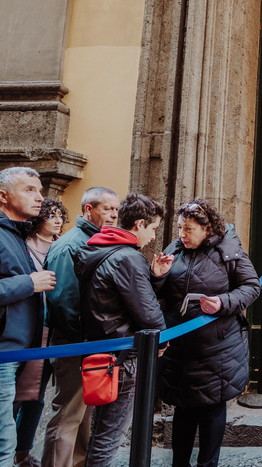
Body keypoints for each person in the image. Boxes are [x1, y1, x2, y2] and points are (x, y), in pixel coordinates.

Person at [154, 199, 260, 467]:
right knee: (182, 406)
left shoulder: (229, 250)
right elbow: (157, 293)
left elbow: (251, 286)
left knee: (212, 406)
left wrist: (223, 302)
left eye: (188, 229)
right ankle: (179, 463)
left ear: (207, 228)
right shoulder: (175, 248)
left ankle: (207, 464)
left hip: (218, 346)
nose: (182, 234)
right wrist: (157, 276)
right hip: (178, 346)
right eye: (179, 228)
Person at [75, 193, 171, 467]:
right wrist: (162, 342)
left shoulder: (96, 249)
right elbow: (149, 313)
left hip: (100, 350)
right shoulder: (128, 258)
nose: (153, 236)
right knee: (110, 435)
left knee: (100, 430)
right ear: (139, 224)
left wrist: (153, 277)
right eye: (152, 228)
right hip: (122, 357)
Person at [42, 187, 120, 467]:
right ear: (89, 209)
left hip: (90, 343)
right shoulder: (70, 245)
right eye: (107, 208)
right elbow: (63, 303)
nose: (113, 214)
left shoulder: (98, 241)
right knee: (67, 416)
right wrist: (85, 342)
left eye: (115, 209)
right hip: (75, 344)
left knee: (84, 414)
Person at [0, 167, 56, 467]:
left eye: (40, 190)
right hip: (3, 353)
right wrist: (29, 283)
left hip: (16, 352)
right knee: (3, 440)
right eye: (29, 190)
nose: (40, 197)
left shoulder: (15, 233)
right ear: (3, 196)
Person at [13, 199, 67, 467]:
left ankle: (22, 451)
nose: (57, 221)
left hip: (55, 330)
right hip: (27, 330)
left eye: (60, 216)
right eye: (51, 215)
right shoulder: (23, 246)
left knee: (37, 396)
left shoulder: (64, 246)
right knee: (18, 395)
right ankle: (11, 449)